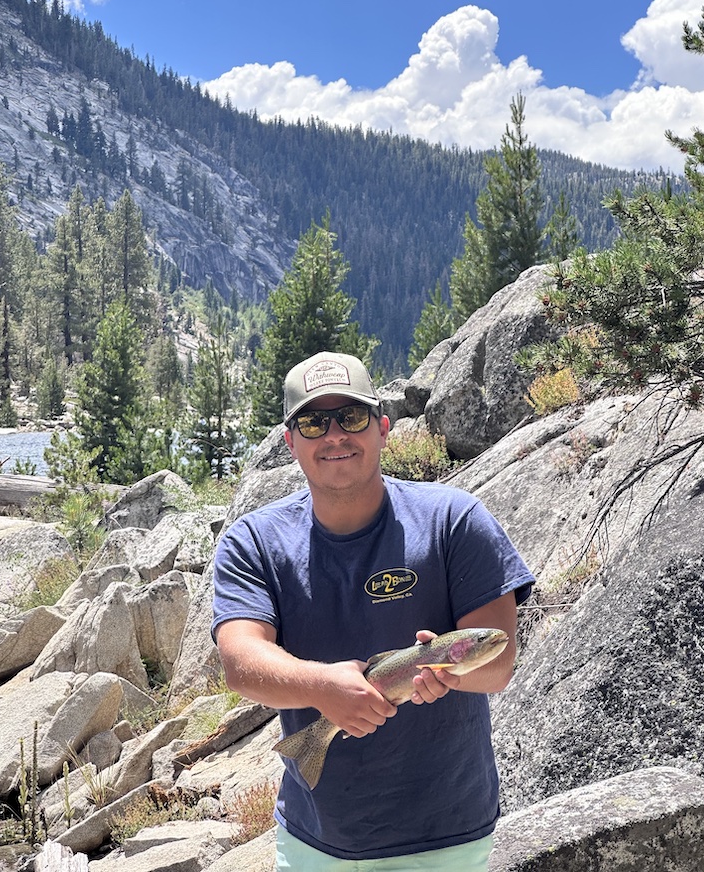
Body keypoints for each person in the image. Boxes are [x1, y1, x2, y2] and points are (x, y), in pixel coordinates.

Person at [212, 351, 534, 870]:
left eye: (352, 417)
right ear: (290, 442)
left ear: (383, 428)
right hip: (313, 840)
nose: (335, 435)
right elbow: (241, 662)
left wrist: (449, 675)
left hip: (446, 836)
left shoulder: (455, 521)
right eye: (314, 422)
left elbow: (497, 664)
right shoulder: (254, 542)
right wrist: (323, 688)